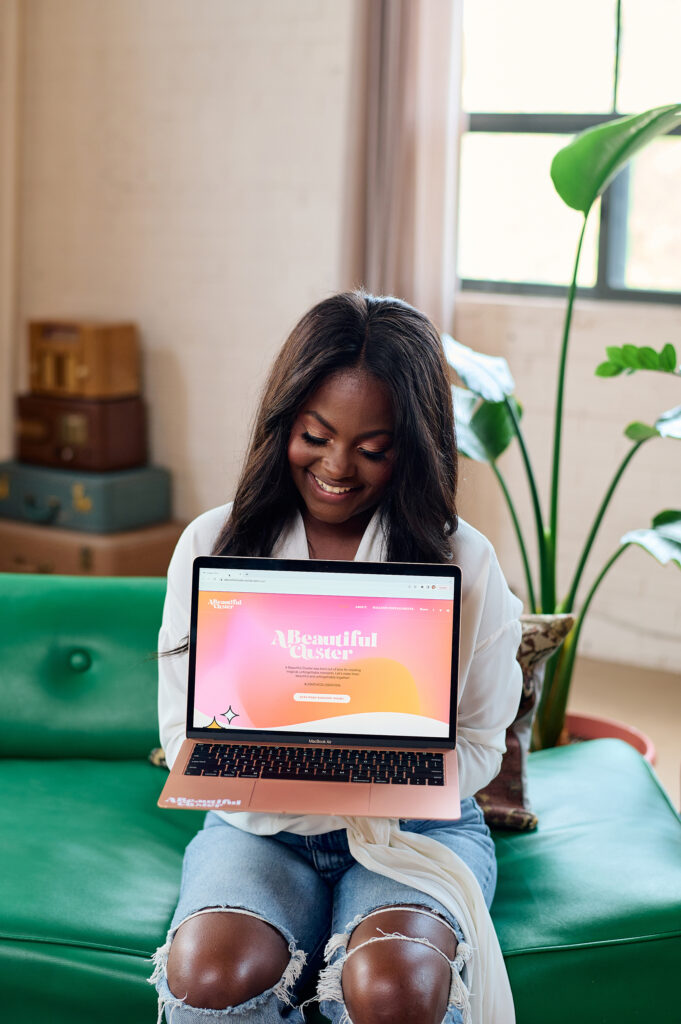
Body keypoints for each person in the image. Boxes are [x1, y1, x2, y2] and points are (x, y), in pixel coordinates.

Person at [151, 291, 522, 1024]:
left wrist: (382, 777)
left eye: (372, 449)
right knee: (209, 974)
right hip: (257, 829)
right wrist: (291, 776)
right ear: (282, 422)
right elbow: (180, 737)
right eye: (315, 435)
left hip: (420, 828)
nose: (336, 467)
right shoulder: (211, 544)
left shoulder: (465, 563)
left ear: (412, 447)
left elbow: (480, 745)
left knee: (394, 989)